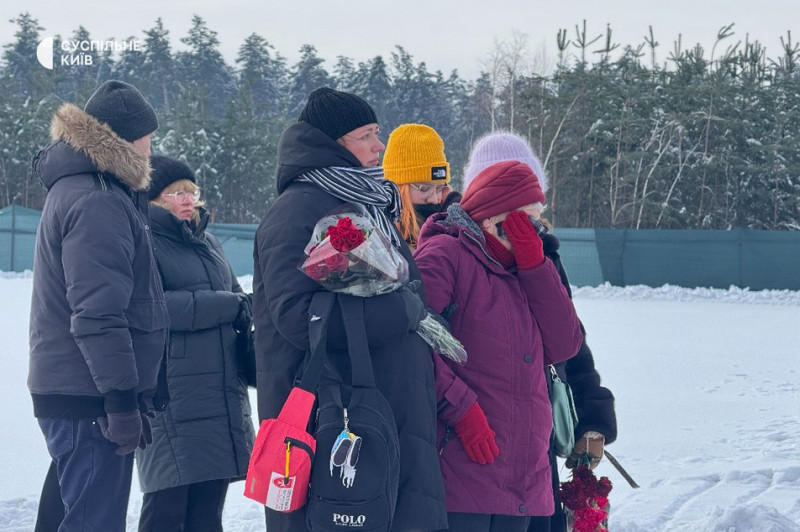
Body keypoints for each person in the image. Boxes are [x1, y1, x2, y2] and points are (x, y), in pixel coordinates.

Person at [252, 87, 447, 531]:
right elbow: (298, 318)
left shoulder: (365, 203)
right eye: (367, 135)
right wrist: (403, 311)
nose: (379, 146)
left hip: (380, 405)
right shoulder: (297, 211)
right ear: (333, 143)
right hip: (334, 419)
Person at [413, 160, 584, 532]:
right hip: (462, 470)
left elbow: (565, 344)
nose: (537, 231)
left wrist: (536, 265)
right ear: (493, 218)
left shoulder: (525, 268)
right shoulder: (446, 255)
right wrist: (461, 409)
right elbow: (411, 341)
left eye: (539, 222)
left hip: (522, 477)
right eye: (528, 221)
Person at [29, 80, 168, 531]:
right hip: (91, 398)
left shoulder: (87, 190)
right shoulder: (98, 201)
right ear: (127, 139)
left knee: (68, 515)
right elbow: (99, 314)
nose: (152, 148)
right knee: (94, 522)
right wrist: (121, 402)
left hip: (78, 391)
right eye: (148, 137)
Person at [462, 131, 617, 532]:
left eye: (533, 204)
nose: (526, 219)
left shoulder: (545, 254)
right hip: (470, 450)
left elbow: (569, 349)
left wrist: (591, 417)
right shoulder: (454, 253)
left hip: (535, 443)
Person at [135, 155, 256, 532]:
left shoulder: (209, 242)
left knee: (208, 509)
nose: (188, 200)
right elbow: (152, 308)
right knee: (167, 507)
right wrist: (229, 306)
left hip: (218, 393)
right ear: (153, 199)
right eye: (176, 193)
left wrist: (248, 308)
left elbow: (236, 295)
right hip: (173, 397)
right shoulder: (142, 240)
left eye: (191, 191)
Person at [382, 123, 452, 251]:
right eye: (425, 189)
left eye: (440, 189)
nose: (435, 199)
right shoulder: (376, 230)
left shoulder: (453, 227)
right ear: (398, 188)